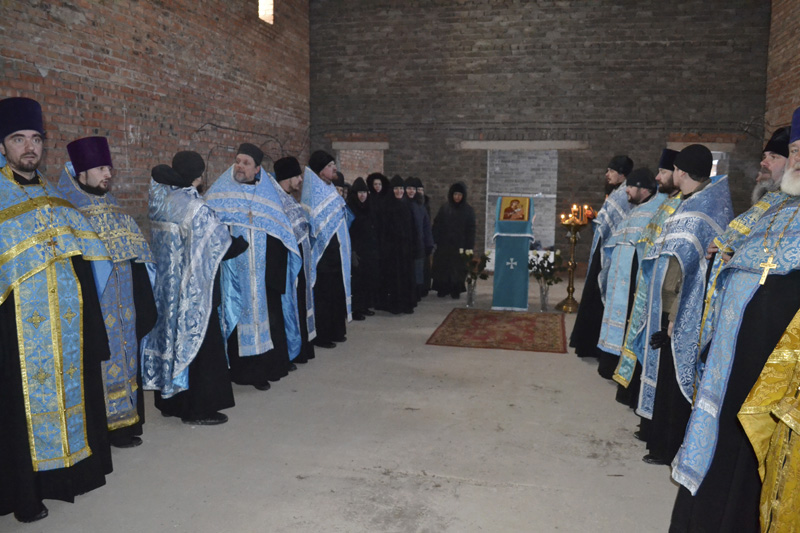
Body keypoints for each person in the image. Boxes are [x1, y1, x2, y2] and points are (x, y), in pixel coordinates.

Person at [671, 109, 800, 532]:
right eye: (794, 150)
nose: (797, 159)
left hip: (780, 363)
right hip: (733, 354)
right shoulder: (773, 204)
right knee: (725, 437)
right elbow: (730, 241)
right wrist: (724, 252)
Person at [0, 97, 114, 523]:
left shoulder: (55, 196)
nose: (29, 147)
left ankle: (66, 478)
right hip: (15, 333)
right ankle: (25, 493)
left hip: (66, 329)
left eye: (35, 138)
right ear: (2, 145)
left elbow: (85, 264)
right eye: (18, 139)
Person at [57, 136, 157, 449]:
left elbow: (137, 259)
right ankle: (105, 428)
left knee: (126, 358)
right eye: (100, 168)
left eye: (108, 168)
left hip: (125, 308)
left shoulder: (116, 210)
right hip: (96, 310)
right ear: (80, 174)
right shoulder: (70, 215)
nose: (108, 174)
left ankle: (126, 423)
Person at [637, 145, 733, 468]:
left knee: (676, 377)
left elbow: (690, 272)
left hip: (684, 309)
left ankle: (669, 447)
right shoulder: (690, 202)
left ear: (680, 171)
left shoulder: (701, 209)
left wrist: (674, 318)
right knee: (664, 373)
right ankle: (657, 436)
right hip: (669, 304)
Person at [141, 151, 247, 425]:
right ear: (199, 175)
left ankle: (170, 403)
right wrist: (241, 242)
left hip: (166, 289)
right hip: (192, 291)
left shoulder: (161, 199)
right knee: (200, 344)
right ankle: (198, 409)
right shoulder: (195, 207)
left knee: (170, 340)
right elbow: (219, 244)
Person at [206, 143, 303, 388]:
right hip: (233, 273)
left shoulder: (268, 195)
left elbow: (281, 232)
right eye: (238, 161)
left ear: (257, 169)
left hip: (263, 274)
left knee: (267, 317)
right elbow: (209, 230)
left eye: (246, 163)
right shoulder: (220, 192)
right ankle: (239, 372)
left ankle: (264, 371)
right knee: (235, 315)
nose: (239, 166)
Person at [614, 149, 681, 443]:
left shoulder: (677, 206)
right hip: (649, 284)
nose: (657, 177)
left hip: (666, 292)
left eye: (663, 172)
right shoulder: (667, 204)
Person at [596, 168, 665, 383]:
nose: (626, 190)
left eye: (631, 186)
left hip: (633, 282)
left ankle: (621, 366)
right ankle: (609, 361)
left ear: (643, 189)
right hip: (621, 278)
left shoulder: (655, 211)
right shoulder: (636, 210)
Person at [570, 155, 633, 360]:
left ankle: (591, 345)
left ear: (622, 174)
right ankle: (588, 343)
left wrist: (596, 218)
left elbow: (612, 224)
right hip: (604, 248)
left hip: (610, 252)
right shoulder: (618, 192)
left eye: (611, 171)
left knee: (598, 295)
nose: (607, 174)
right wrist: (596, 217)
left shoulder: (623, 194)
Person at [303, 150, 352, 348]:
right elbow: (314, 224)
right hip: (322, 256)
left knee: (336, 294)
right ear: (320, 170)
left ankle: (336, 330)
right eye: (330, 166)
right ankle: (323, 335)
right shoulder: (313, 192)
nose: (334, 169)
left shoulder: (330, 188)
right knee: (324, 296)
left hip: (336, 254)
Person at [273, 156, 316, 364]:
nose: (300, 180)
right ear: (287, 177)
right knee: (288, 307)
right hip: (287, 266)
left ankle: (301, 350)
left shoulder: (290, 199)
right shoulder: (277, 200)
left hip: (300, 266)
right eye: (297, 176)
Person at [377, 175, 417, 314]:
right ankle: (395, 305)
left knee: (406, 276)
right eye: (396, 188)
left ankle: (407, 304)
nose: (399, 191)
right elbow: (383, 230)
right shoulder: (386, 206)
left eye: (401, 188)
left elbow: (413, 228)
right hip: (392, 250)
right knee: (394, 278)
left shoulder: (407, 205)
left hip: (406, 249)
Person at [431, 181, 476, 298]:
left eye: (460, 195)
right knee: (443, 268)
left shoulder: (468, 210)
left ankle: (455, 290)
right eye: (455, 194)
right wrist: (435, 240)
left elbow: (471, 230)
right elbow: (437, 224)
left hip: (460, 245)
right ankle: (443, 289)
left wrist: (469, 247)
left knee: (458, 269)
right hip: (444, 244)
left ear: (463, 196)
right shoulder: (444, 208)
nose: (457, 197)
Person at [347, 177, 380, 319]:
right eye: (360, 192)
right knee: (357, 281)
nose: (362, 195)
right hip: (357, 250)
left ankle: (365, 306)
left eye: (364, 192)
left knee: (367, 279)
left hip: (369, 250)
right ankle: (356, 309)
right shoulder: (351, 209)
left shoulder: (369, 207)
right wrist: (352, 251)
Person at [405, 177, 434, 300]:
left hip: (419, 245)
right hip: (406, 246)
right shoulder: (403, 205)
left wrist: (429, 243)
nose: (411, 191)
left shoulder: (420, 206)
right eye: (409, 188)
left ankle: (416, 294)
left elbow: (426, 226)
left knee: (418, 272)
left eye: (414, 189)